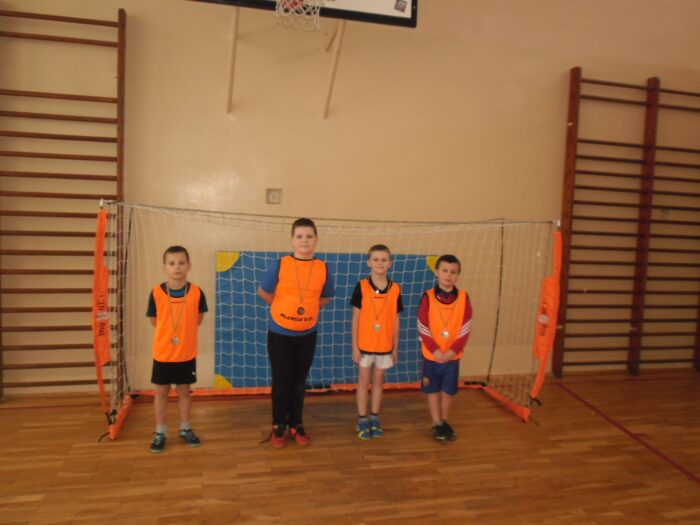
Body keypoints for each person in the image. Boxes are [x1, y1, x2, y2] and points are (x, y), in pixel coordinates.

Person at [258, 218, 335, 448]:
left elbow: (325, 298)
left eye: (309, 236)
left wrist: (305, 309)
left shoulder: (322, 268)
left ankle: (296, 423)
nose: (304, 240)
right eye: (299, 236)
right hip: (279, 334)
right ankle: (278, 425)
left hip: (307, 335)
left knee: (299, 382)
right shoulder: (280, 264)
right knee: (282, 381)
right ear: (292, 240)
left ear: (316, 240)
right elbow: (264, 292)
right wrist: (283, 309)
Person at [146, 245, 208, 453]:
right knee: (161, 392)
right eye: (172, 263)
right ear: (165, 267)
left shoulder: (197, 292)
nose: (177, 267)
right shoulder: (156, 293)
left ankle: (185, 428)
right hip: (163, 353)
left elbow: (198, 319)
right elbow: (154, 320)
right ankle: (160, 432)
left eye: (181, 263)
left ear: (189, 266)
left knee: (184, 392)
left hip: (186, 354)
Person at [417, 254, 472, 442]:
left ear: (458, 275)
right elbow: (423, 326)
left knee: (448, 391)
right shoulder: (427, 297)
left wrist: (451, 351)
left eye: (453, 272)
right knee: (432, 390)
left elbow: (466, 328)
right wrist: (435, 350)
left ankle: (444, 421)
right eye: (445, 271)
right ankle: (436, 423)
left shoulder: (463, 298)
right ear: (437, 272)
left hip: (452, 357)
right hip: (431, 356)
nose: (449, 275)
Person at [350, 244, 403, 440]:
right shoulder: (361, 286)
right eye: (376, 259)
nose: (380, 263)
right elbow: (355, 318)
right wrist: (355, 347)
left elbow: (396, 320)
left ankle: (374, 417)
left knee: (379, 381)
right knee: (364, 381)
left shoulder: (395, 289)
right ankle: (362, 419)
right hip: (364, 345)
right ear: (368, 263)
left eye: (384, 260)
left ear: (390, 263)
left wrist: (395, 348)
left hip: (385, 346)